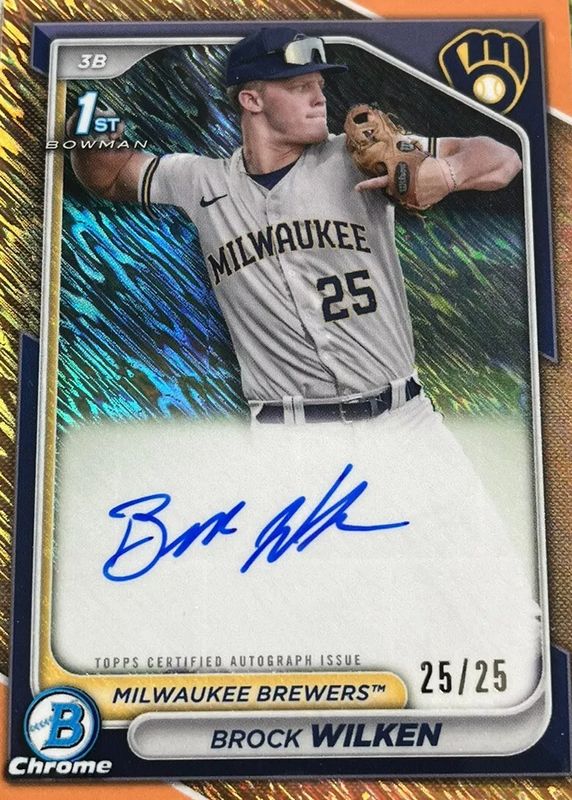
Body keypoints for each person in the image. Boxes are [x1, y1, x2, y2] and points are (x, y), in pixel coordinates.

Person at [67, 27, 541, 708]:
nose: (320, 97)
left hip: (402, 422)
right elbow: (108, 173)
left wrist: (449, 171)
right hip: (292, 446)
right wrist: (86, 111)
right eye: (300, 86)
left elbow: (501, 156)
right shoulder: (201, 182)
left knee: (500, 604)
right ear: (251, 99)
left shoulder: (354, 160)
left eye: (320, 83)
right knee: (336, 630)